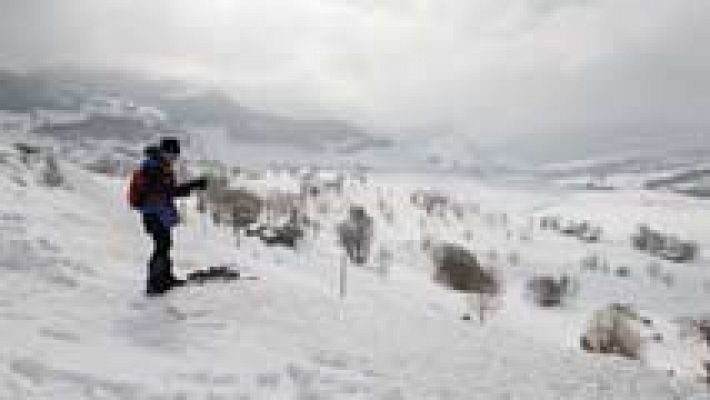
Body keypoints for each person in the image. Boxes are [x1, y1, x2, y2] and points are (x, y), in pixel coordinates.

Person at [128, 137, 208, 296]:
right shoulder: (153, 168)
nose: (174, 158)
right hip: (153, 214)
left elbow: (168, 192)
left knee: (165, 245)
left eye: (176, 155)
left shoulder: (162, 166)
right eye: (172, 154)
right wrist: (192, 185)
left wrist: (192, 186)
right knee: (162, 246)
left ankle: (165, 279)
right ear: (165, 151)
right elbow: (164, 192)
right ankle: (155, 284)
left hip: (160, 213)